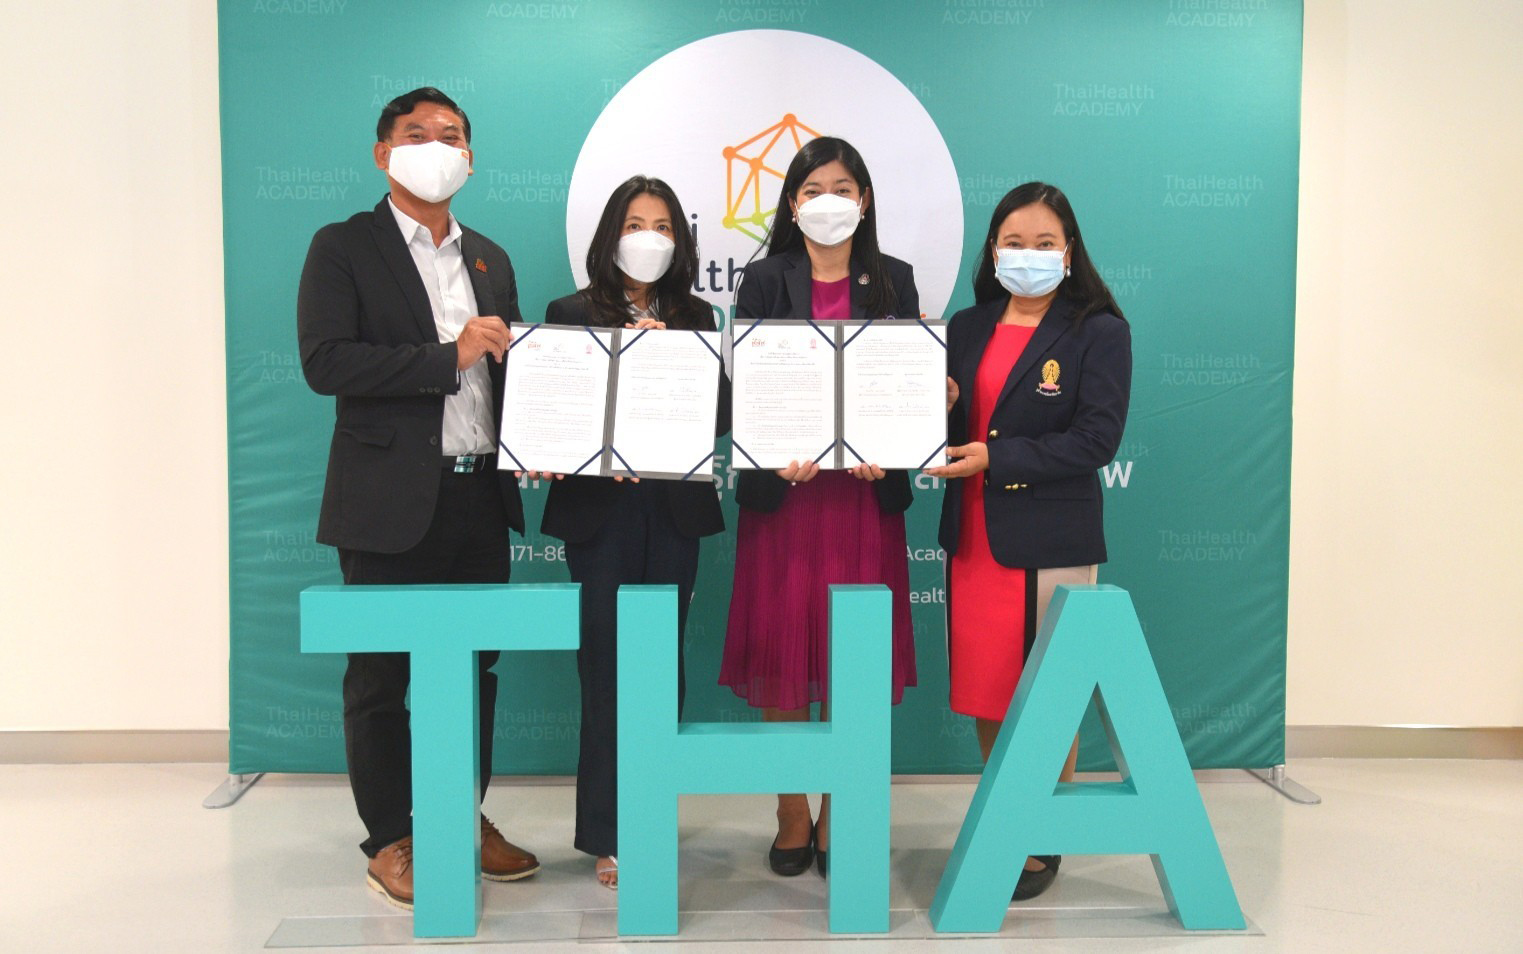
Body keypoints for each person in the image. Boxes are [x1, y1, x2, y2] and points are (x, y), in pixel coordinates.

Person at [297, 87, 539, 910]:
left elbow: (512, 375)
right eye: (417, 133)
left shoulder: (489, 257)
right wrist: (447, 356)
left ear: (469, 158)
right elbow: (326, 362)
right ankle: (390, 838)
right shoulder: (342, 246)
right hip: (386, 501)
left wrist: (548, 435)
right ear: (383, 153)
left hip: (479, 498)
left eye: (452, 136)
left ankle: (458, 815)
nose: (436, 146)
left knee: (474, 669)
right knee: (380, 675)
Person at [718, 136, 918, 879]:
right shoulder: (764, 278)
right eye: (810, 189)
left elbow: (902, 383)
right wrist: (771, 449)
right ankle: (791, 807)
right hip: (787, 499)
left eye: (841, 188)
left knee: (851, 657)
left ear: (864, 200)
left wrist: (892, 439)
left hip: (863, 499)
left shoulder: (894, 279)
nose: (826, 201)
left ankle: (841, 805)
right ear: (791, 202)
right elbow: (747, 387)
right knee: (784, 650)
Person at [925, 182, 1131, 901]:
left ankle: (1040, 834)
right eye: (1014, 242)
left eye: (1045, 243)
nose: (1029, 255)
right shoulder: (966, 325)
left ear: (1069, 252)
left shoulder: (1099, 330)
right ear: (992, 250)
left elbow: (1096, 440)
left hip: (1050, 538)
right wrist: (938, 408)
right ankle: (1004, 813)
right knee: (987, 688)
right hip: (973, 536)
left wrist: (998, 458)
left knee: (1046, 691)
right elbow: (954, 430)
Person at [538, 176, 730, 890]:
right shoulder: (570, 312)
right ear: (609, 236)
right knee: (605, 668)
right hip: (601, 514)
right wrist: (622, 363)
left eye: (663, 226)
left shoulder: (697, 316)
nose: (648, 238)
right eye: (634, 224)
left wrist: (673, 361)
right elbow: (552, 407)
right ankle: (607, 834)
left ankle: (649, 819)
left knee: (659, 666)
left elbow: (719, 414)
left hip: (673, 511)